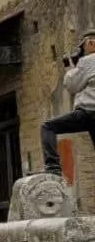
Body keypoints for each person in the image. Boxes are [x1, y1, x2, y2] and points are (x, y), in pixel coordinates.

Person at [41, 30, 95, 176]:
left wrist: (72, 69)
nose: (81, 52)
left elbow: (71, 85)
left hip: (89, 113)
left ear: (90, 43)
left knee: (48, 127)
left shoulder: (88, 61)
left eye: (82, 47)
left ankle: (53, 168)